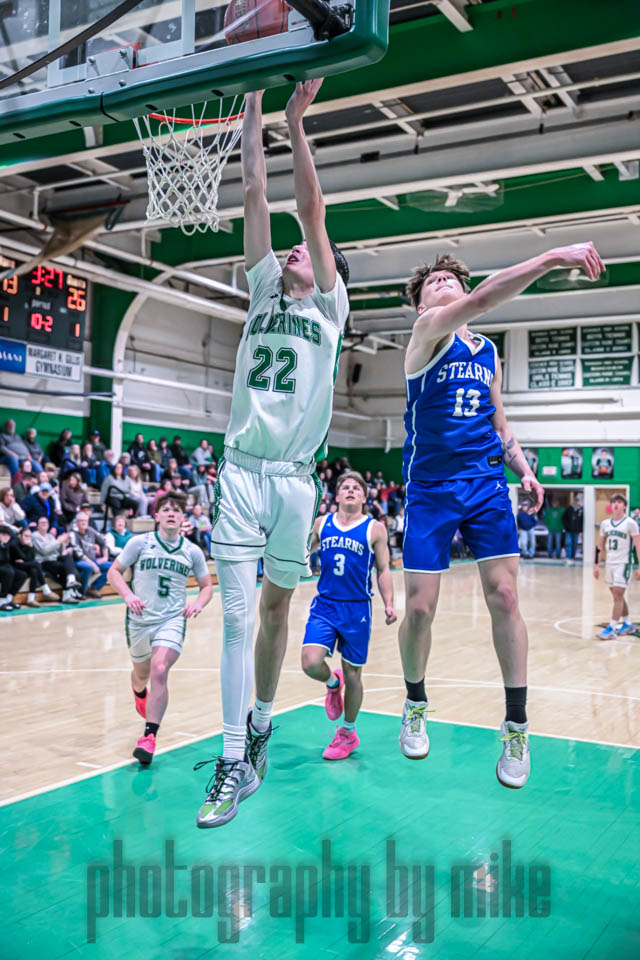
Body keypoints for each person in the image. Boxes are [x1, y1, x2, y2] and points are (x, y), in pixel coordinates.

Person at [194, 79, 350, 829]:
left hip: (294, 482)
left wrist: (297, 120)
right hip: (241, 471)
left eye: (307, 253)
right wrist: (255, 100)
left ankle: (261, 719)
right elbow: (256, 190)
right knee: (234, 618)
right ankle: (232, 760)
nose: (293, 249)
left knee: (276, 607)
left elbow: (309, 212)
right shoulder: (263, 290)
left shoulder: (330, 306)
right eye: (289, 249)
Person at [398, 241, 604, 789]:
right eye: (432, 282)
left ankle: (517, 725)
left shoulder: (486, 350)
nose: (442, 283)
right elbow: (484, 300)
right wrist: (552, 258)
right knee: (419, 608)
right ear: (422, 305)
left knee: (506, 598)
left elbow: (499, 422)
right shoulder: (426, 334)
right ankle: (414, 702)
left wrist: (525, 470)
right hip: (431, 487)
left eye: (449, 278)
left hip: (486, 483)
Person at [107, 491, 212, 764]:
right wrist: (128, 595)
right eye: (166, 509)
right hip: (140, 620)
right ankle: (139, 691)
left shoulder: (192, 551)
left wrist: (198, 603)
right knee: (141, 675)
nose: (171, 513)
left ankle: (149, 736)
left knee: (160, 668)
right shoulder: (140, 543)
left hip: (171, 620)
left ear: (183, 517)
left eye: (176, 510)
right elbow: (113, 572)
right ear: (156, 516)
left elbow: (207, 586)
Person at [301, 472, 396, 759]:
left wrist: (389, 603)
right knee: (310, 662)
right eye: (345, 487)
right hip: (326, 605)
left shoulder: (375, 529)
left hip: (357, 609)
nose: (351, 490)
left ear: (364, 497)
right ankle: (333, 683)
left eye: (356, 488)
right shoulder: (322, 524)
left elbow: (384, 569)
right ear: (337, 495)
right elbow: (302, 552)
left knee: (354, 674)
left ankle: (347, 732)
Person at [594, 494, 640, 639]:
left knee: (618, 595)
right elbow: (599, 546)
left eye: (619, 502)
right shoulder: (605, 524)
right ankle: (627, 623)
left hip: (624, 563)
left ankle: (611, 629)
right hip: (609, 563)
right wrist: (595, 564)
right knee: (616, 595)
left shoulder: (631, 523)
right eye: (613, 501)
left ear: (624, 506)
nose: (616, 504)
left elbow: (638, 545)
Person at [32, 517, 81, 602]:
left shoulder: (50, 536)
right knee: (64, 568)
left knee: (67, 557)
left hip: (54, 559)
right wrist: (58, 541)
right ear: (37, 526)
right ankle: (67, 594)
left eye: (46, 522)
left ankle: (71, 579)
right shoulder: (35, 535)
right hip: (43, 562)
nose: (44, 524)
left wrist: (63, 543)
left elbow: (60, 552)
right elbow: (44, 551)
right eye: (42, 522)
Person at [11, 526, 60, 606]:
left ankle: (31, 599)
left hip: (24, 565)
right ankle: (45, 589)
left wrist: (30, 547)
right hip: (14, 566)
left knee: (34, 570)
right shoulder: (14, 543)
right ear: (19, 536)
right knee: (36, 564)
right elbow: (22, 557)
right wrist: (27, 553)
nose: (28, 538)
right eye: (26, 536)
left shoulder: (29, 544)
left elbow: (30, 559)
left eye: (29, 536)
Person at [69, 513, 111, 597]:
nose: (84, 523)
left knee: (112, 566)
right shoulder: (73, 534)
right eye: (81, 521)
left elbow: (103, 541)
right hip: (79, 561)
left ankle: (93, 588)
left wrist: (105, 557)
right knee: (88, 567)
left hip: (93, 560)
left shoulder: (91, 530)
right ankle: (82, 592)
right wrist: (93, 564)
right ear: (77, 522)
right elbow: (79, 554)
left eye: (85, 521)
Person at [0, 524, 27, 611]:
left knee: (22, 575)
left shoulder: (7, 544)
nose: (6, 537)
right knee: (9, 572)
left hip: (4, 567)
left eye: (8, 535)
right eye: (3, 534)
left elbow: (21, 556)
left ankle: (8, 599)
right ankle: (1, 600)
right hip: (3, 568)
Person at [562, 495, 583, 561]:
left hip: (576, 530)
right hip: (568, 530)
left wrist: (581, 530)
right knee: (568, 543)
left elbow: (582, 521)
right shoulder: (568, 509)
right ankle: (568, 556)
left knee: (575, 544)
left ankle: (573, 556)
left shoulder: (581, 510)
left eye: (577, 501)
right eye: (575, 501)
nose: (576, 502)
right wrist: (566, 527)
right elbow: (564, 519)